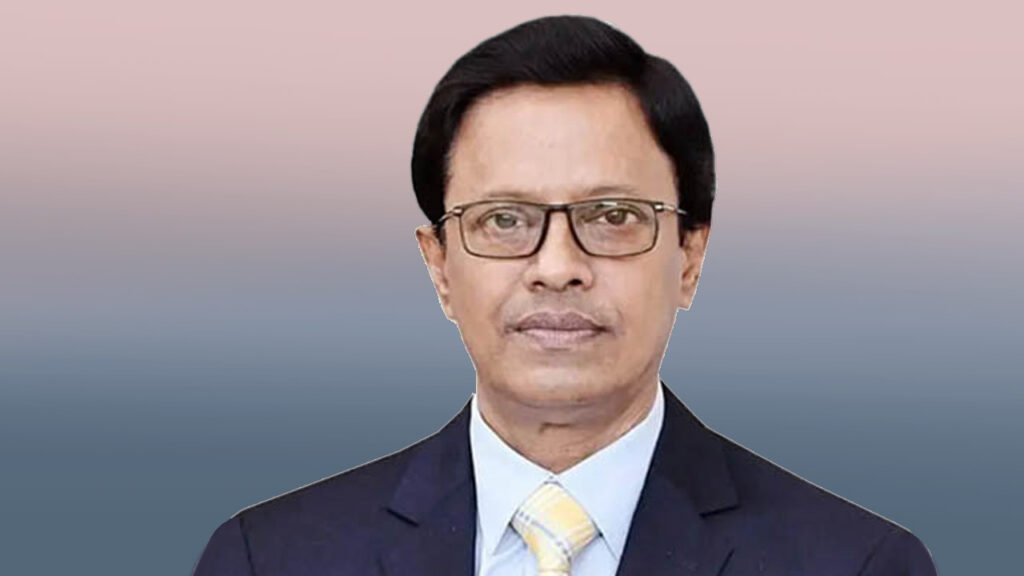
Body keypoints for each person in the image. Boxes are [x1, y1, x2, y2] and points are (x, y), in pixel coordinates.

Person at [192, 15, 937, 576]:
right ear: (440, 267)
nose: (557, 267)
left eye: (611, 217)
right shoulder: (271, 558)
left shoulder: (856, 563)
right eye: (504, 220)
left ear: (689, 257)